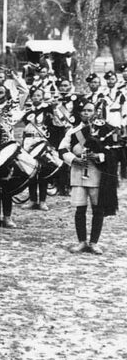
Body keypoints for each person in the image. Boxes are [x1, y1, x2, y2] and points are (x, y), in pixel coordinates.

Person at [60, 103, 119, 254]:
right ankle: (81, 242)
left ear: (95, 112)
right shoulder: (74, 132)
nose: (87, 113)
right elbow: (62, 149)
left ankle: (94, 243)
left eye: (90, 110)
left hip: (97, 173)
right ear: (79, 113)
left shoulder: (106, 129)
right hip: (78, 173)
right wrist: (73, 159)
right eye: (84, 111)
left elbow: (115, 151)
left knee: (97, 208)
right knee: (80, 209)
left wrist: (100, 156)